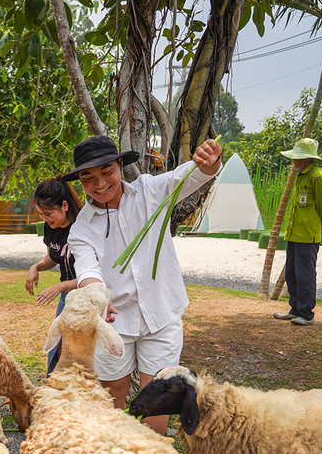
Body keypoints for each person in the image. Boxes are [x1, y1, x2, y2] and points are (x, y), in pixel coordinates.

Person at [64, 134, 223, 435]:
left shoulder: (150, 190)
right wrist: (97, 296)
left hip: (162, 315)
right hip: (114, 323)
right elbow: (87, 269)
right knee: (113, 395)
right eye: (88, 178)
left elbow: (191, 176)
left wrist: (210, 161)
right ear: (80, 182)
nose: (99, 184)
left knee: (157, 400)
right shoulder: (81, 228)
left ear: (120, 165)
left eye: (106, 172)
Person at [271, 137, 322, 327]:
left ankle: (306, 314)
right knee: (292, 273)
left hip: (308, 235)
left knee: (305, 274)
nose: (294, 162)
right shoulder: (302, 175)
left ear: (306, 158)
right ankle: (295, 309)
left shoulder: (318, 176)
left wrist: (314, 227)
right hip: (295, 233)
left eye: (297, 158)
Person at [23, 178, 81, 373]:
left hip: (88, 295)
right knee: (57, 348)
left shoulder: (83, 227)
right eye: (40, 214)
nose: (45, 219)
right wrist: (35, 267)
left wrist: (60, 287)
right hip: (67, 295)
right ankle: (55, 390)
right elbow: (53, 258)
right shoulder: (51, 228)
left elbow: (97, 274)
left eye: (48, 213)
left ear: (64, 206)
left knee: (83, 351)